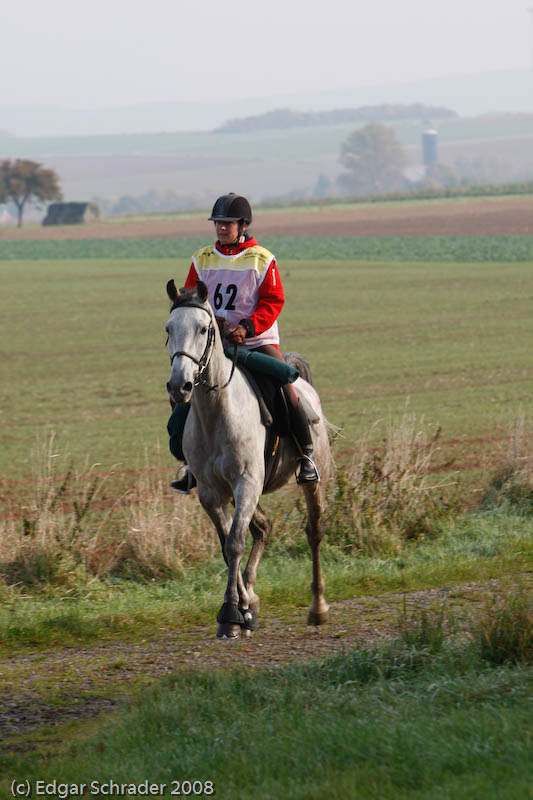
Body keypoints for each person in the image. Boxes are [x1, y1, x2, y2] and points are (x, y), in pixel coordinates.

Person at [170, 192, 320, 493]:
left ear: (243, 225)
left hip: (256, 341)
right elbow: (190, 300)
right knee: (182, 396)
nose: (222, 228)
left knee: (285, 386)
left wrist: (248, 326)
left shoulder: (262, 258)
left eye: (228, 223)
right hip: (213, 346)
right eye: (218, 223)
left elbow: (273, 300)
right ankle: (192, 463)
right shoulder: (201, 258)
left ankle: (306, 454)